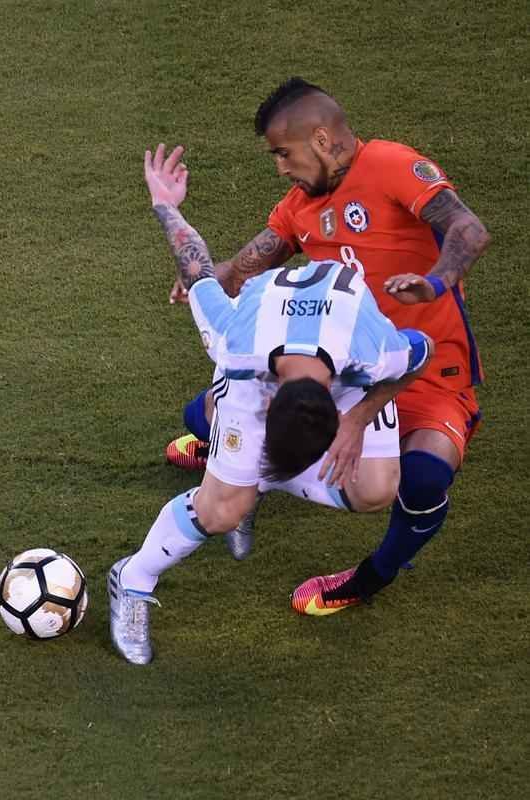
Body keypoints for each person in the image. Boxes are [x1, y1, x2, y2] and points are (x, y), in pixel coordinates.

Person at [165, 77, 491, 608]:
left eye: (283, 153)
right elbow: (252, 262)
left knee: (425, 476)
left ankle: (369, 578)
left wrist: (432, 284)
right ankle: (227, 454)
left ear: (320, 140)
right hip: (341, 369)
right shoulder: (299, 205)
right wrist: (210, 277)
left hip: (423, 367)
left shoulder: (389, 165)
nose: (281, 167)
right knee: (201, 416)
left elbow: (468, 230)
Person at [107, 144, 433, 664]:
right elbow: (199, 272)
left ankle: (251, 478)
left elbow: (422, 355)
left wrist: (359, 417)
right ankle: (134, 576)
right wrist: (166, 204)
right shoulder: (236, 342)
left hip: (342, 366)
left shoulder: (374, 349)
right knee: (221, 507)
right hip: (260, 364)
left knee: (376, 488)